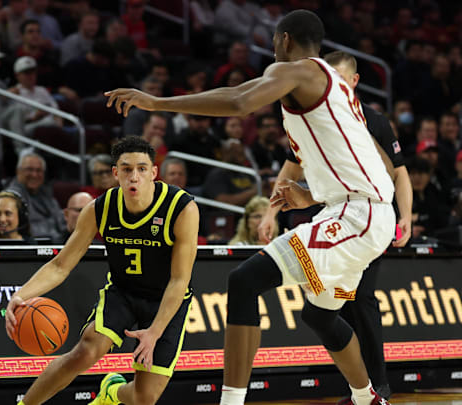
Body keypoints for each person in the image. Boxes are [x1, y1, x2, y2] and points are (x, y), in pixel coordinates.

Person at [106, 10, 394, 405]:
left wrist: (156, 102)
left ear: (285, 40)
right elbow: (362, 160)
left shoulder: (298, 70)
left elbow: (240, 100)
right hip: (357, 212)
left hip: (357, 216)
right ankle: (368, 399)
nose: (272, 51)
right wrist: (312, 197)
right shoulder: (334, 89)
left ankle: (231, 402)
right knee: (319, 316)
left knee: (244, 281)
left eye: (274, 42)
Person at [6, 136, 199, 405]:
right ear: (115, 173)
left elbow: (179, 280)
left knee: (144, 398)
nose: (134, 177)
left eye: (142, 169)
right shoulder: (99, 208)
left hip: (166, 300)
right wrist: (20, 295)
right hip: (123, 292)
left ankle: (111, 393)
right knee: (85, 351)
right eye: (127, 169)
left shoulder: (182, 208)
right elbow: (61, 265)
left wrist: (154, 331)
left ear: (154, 173)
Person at [325, 50, 414, 402]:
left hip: (373, 222)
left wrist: (406, 216)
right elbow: (292, 165)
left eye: (339, 79)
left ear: (355, 81)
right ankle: (357, 387)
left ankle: (379, 383)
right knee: (336, 303)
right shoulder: (318, 120)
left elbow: (400, 173)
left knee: (361, 299)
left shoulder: (374, 120)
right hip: (334, 222)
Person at [6, 150, 66, 241]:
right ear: (18, 171)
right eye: (29, 169)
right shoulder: (11, 197)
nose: (34, 174)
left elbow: (61, 223)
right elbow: (25, 231)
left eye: (39, 170)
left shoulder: (46, 193)